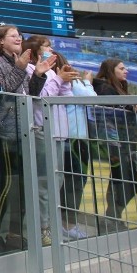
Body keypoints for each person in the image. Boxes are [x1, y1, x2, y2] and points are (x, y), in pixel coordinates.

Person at [0, 24, 56, 252]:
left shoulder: (21, 63)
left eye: (20, 35)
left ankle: (15, 232)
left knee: (24, 184)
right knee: (8, 182)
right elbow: (4, 94)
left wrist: (38, 75)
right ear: (0, 41)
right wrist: (20, 68)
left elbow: (30, 95)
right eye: (13, 36)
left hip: (24, 128)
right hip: (4, 129)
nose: (18, 38)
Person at [23, 36, 78, 246]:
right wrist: (57, 79)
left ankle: (52, 225)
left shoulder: (52, 72)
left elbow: (66, 98)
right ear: (37, 51)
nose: (51, 49)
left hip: (59, 133)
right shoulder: (31, 70)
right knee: (45, 184)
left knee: (58, 182)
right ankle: (42, 228)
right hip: (42, 131)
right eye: (46, 47)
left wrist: (65, 79)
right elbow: (42, 97)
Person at [92, 59, 137, 232]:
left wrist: (134, 109)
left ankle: (113, 216)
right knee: (123, 181)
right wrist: (129, 107)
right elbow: (108, 114)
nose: (126, 71)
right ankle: (112, 217)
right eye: (121, 68)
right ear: (111, 71)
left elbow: (126, 118)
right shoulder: (104, 88)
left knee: (128, 182)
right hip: (114, 141)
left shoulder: (120, 88)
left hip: (123, 140)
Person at [56, 61, 97, 241]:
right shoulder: (72, 82)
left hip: (77, 138)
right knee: (74, 182)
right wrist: (87, 82)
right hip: (72, 138)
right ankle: (67, 225)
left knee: (76, 182)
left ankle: (67, 223)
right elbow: (91, 97)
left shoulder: (71, 83)